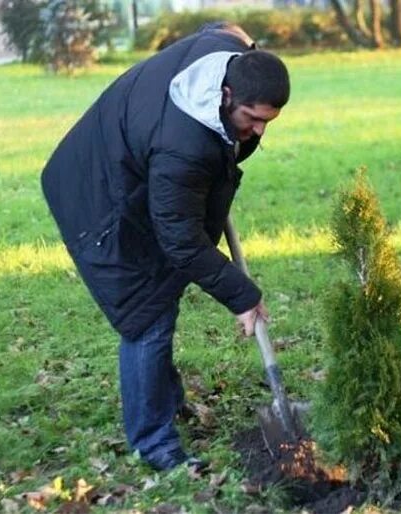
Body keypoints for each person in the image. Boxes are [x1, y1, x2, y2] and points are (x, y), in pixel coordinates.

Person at [40, 23, 290, 472]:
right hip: (96, 201)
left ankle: (166, 399)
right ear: (227, 94)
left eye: (267, 122)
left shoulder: (228, 52)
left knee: (162, 296)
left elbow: (222, 30)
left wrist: (242, 38)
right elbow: (181, 240)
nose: (255, 131)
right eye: (251, 119)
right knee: (147, 315)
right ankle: (153, 443)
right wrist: (243, 295)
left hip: (133, 172)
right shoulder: (184, 146)